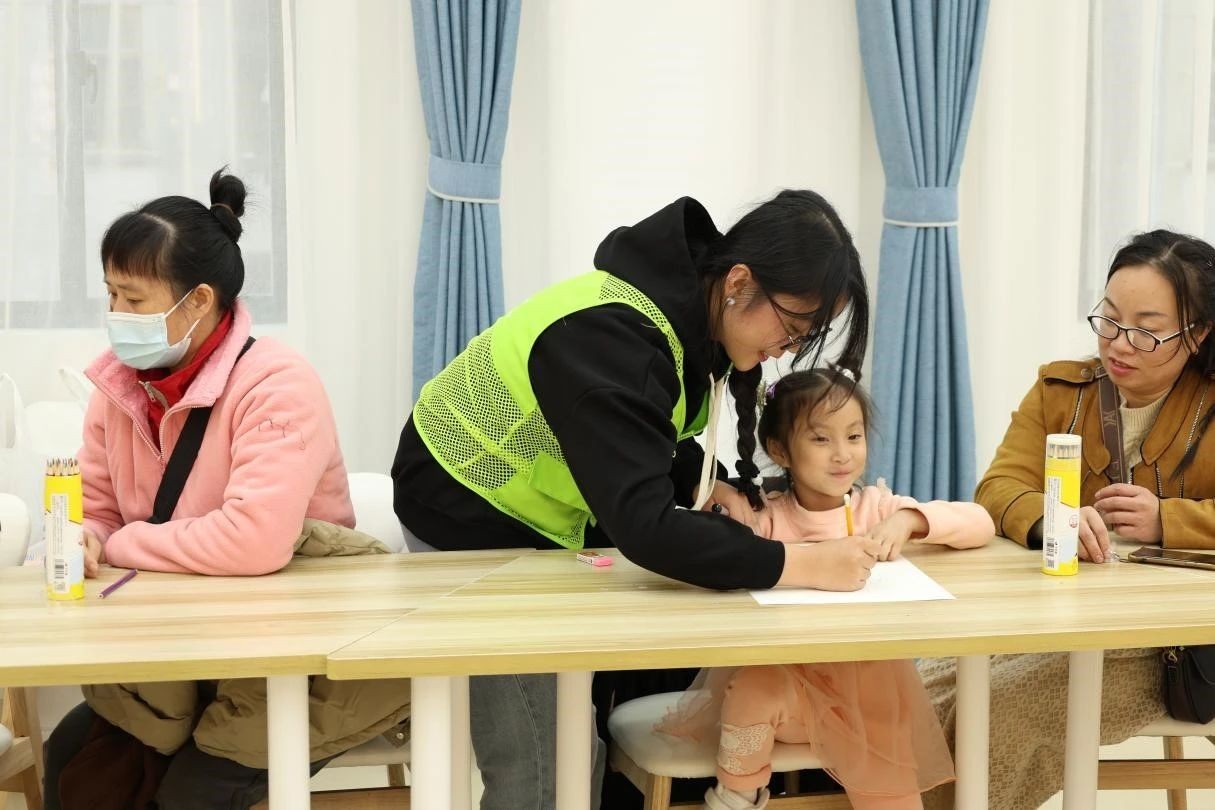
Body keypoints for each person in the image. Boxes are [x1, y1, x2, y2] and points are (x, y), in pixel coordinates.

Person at [391, 191, 871, 809]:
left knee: (577, 745)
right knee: (541, 763)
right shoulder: (616, 336)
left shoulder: (681, 318)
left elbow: (639, 431)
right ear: (739, 282)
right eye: (792, 327)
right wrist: (801, 565)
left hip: (537, 512)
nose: (787, 349)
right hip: (464, 507)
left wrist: (703, 482)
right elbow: (646, 527)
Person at [42, 169, 409, 810]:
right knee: (75, 755)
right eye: (110, 295)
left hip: (297, 654)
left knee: (194, 791)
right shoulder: (119, 387)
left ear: (198, 302)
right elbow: (95, 508)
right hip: (187, 645)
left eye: (134, 299)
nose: (116, 316)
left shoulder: (277, 384)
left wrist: (121, 544)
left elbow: (254, 541)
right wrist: (85, 537)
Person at [918, 229, 1215, 810]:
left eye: (1146, 330)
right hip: (1056, 621)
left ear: (1198, 333)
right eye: (1109, 319)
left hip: (1170, 647)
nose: (1119, 344)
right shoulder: (1061, 390)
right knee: (917, 691)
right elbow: (998, 486)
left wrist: (1168, 519)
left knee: (999, 717)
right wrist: (1051, 519)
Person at [657, 368, 991, 810]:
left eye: (854, 437)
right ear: (780, 449)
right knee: (754, 688)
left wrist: (910, 520)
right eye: (820, 439)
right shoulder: (768, 519)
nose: (842, 455)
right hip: (790, 696)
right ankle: (738, 794)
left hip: (872, 707)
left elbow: (980, 523)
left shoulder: (876, 510)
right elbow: (711, 552)